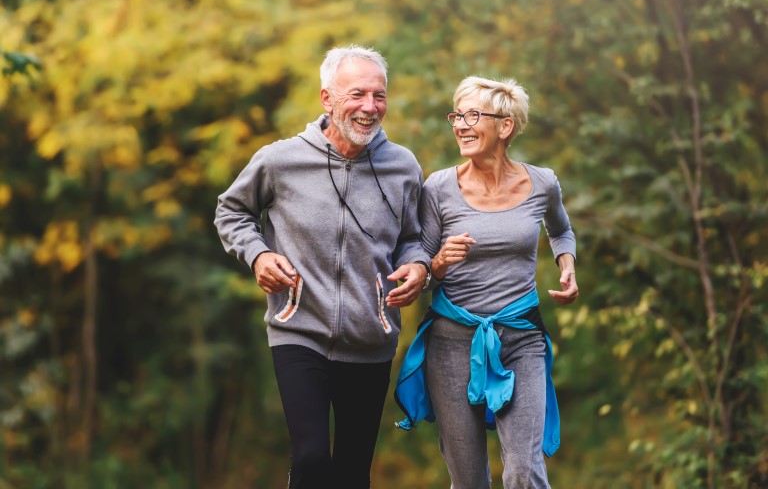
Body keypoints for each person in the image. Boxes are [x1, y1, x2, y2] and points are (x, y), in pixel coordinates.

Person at [214, 45, 430, 489]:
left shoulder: (403, 166)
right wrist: (258, 254)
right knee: (311, 459)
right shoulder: (280, 160)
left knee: (352, 471)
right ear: (327, 99)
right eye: (357, 94)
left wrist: (418, 266)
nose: (370, 107)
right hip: (298, 329)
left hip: (371, 336)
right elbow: (231, 212)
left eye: (379, 95)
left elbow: (414, 237)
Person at [394, 76, 578, 489]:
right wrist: (439, 260)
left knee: (524, 471)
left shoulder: (542, 183)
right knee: (469, 479)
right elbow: (421, 262)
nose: (460, 124)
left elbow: (561, 231)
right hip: (451, 342)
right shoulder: (438, 187)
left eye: (473, 115)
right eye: (456, 116)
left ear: (505, 126)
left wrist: (567, 266)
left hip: (521, 337)